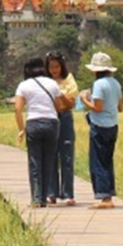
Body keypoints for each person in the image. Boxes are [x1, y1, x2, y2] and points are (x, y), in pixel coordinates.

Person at [14, 57, 62, 208]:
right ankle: (44, 198)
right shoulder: (52, 83)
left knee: (35, 162)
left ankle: (36, 199)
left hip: (33, 123)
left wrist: (21, 129)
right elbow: (59, 106)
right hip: (51, 123)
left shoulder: (23, 85)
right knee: (48, 162)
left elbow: (17, 108)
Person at [79, 51, 123, 209]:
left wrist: (84, 99)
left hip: (99, 126)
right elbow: (120, 107)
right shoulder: (116, 83)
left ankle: (104, 198)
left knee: (98, 161)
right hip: (113, 125)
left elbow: (97, 108)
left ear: (95, 70)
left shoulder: (99, 84)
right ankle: (109, 193)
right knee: (107, 160)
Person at [45, 52, 78, 206]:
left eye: (57, 66)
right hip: (50, 118)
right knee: (51, 155)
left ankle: (68, 194)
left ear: (62, 66)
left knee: (67, 155)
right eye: (51, 67)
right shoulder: (44, 81)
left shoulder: (68, 79)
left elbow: (71, 103)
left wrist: (58, 94)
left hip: (64, 117)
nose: (54, 70)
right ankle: (51, 193)